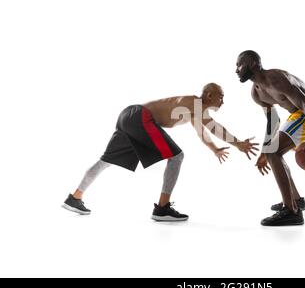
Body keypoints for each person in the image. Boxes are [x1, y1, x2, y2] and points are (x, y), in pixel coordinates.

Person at [62, 83, 259, 221]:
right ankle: (162, 209)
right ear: (209, 95)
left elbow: (202, 132)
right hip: (141, 117)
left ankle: (75, 197)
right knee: (177, 157)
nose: (223, 101)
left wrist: (214, 149)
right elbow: (214, 127)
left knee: (106, 161)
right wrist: (239, 143)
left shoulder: (193, 109)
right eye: (221, 96)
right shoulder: (195, 102)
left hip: (129, 115)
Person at [235, 50, 305, 226]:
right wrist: (264, 151)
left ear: (253, 64)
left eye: (239, 64)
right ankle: (296, 200)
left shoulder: (276, 78)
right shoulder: (256, 93)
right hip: (296, 116)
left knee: (274, 153)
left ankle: (292, 211)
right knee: (272, 152)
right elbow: (273, 120)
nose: (236, 70)